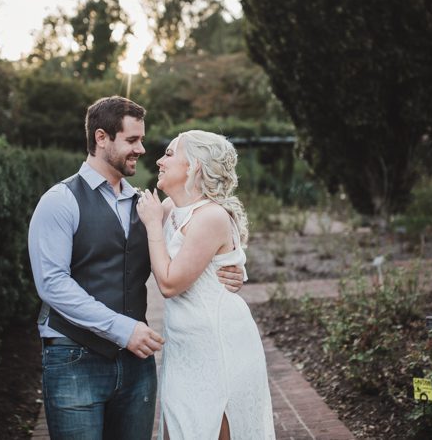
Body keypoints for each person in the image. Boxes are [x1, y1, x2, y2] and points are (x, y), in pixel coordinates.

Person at [28, 97, 244, 440]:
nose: (142, 149)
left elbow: (204, 223)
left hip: (136, 365)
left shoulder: (149, 206)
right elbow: (52, 284)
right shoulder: (60, 200)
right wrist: (122, 329)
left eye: (141, 140)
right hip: (75, 360)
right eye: (132, 140)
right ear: (101, 138)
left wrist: (230, 268)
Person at [137, 130, 275, 440]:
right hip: (183, 345)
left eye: (170, 154)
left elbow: (170, 284)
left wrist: (151, 224)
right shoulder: (171, 211)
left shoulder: (211, 216)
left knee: (211, 428)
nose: (159, 160)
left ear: (194, 166)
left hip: (217, 344)